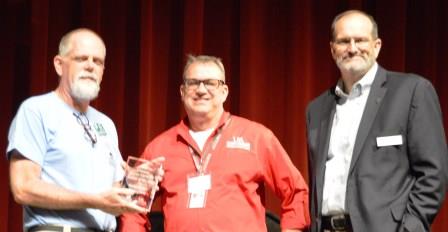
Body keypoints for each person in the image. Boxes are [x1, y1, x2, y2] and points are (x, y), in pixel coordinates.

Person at [119, 54, 310, 231]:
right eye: (193, 83)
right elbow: (132, 206)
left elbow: (296, 191)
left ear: (224, 92)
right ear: (182, 91)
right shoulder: (159, 148)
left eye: (210, 83)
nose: (201, 90)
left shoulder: (256, 137)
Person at [7, 28, 162, 232]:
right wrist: (95, 200)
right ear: (59, 65)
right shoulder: (36, 110)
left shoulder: (106, 123)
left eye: (97, 61)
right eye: (81, 58)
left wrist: (133, 184)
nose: (90, 66)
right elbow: (23, 189)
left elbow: (112, 200)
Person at [306, 10, 448, 232]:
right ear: (332, 49)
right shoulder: (316, 110)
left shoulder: (411, 92)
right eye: (344, 41)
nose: (352, 48)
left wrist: (411, 228)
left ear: (377, 46)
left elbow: (433, 174)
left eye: (360, 40)